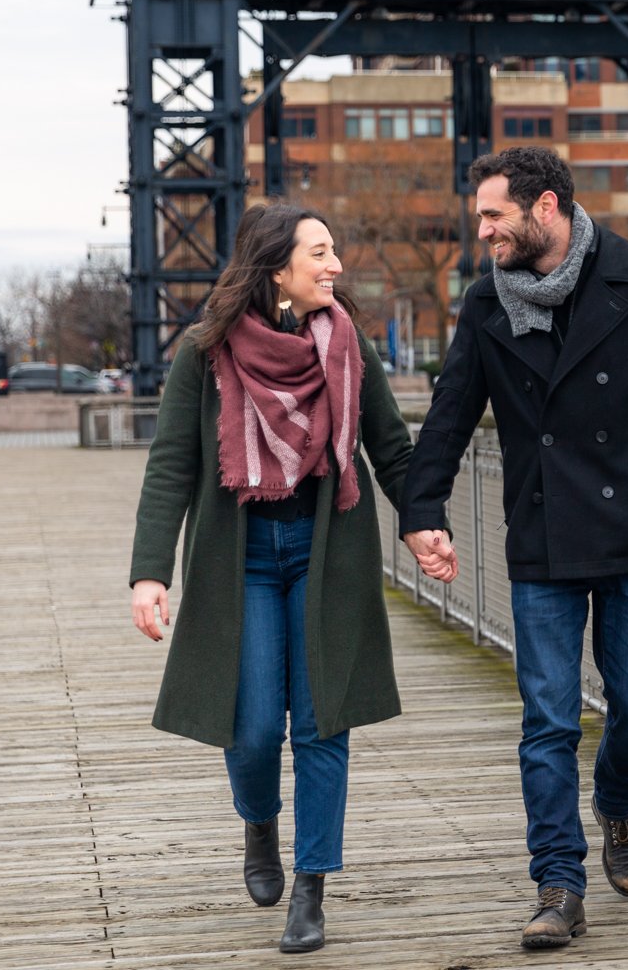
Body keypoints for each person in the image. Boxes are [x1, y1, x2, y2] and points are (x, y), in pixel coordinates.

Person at [399, 147, 628, 951]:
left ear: (545, 207)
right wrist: (424, 509)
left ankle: (618, 803)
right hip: (543, 537)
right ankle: (559, 883)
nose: (480, 230)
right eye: (480, 216)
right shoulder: (487, 302)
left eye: (493, 215)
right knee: (547, 720)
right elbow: (451, 411)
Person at [127, 204, 415, 955]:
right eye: (320, 252)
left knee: (322, 725)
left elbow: (390, 447)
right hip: (242, 560)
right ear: (277, 268)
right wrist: (150, 573)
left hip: (327, 558)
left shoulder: (347, 347)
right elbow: (171, 466)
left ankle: (312, 889)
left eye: (334, 251)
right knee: (252, 729)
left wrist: (426, 523)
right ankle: (259, 824)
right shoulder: (206, 352)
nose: (335, 266)